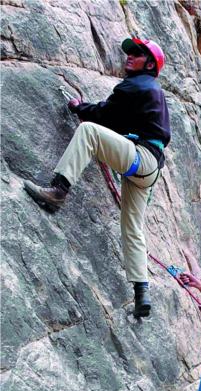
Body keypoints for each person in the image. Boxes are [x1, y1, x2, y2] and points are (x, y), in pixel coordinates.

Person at [24, 37, 171, 318]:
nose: (129, 56)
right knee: (133, 227)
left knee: (89, 132)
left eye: (137, 54)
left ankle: (58, 191)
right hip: (148, 169)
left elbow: (106, 115)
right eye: (130, 52)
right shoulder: (152, 90)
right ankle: (142, 293)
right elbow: (120, 121)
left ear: (150, 64)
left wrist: (79, 108)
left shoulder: (137, 85)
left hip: (140, 158)